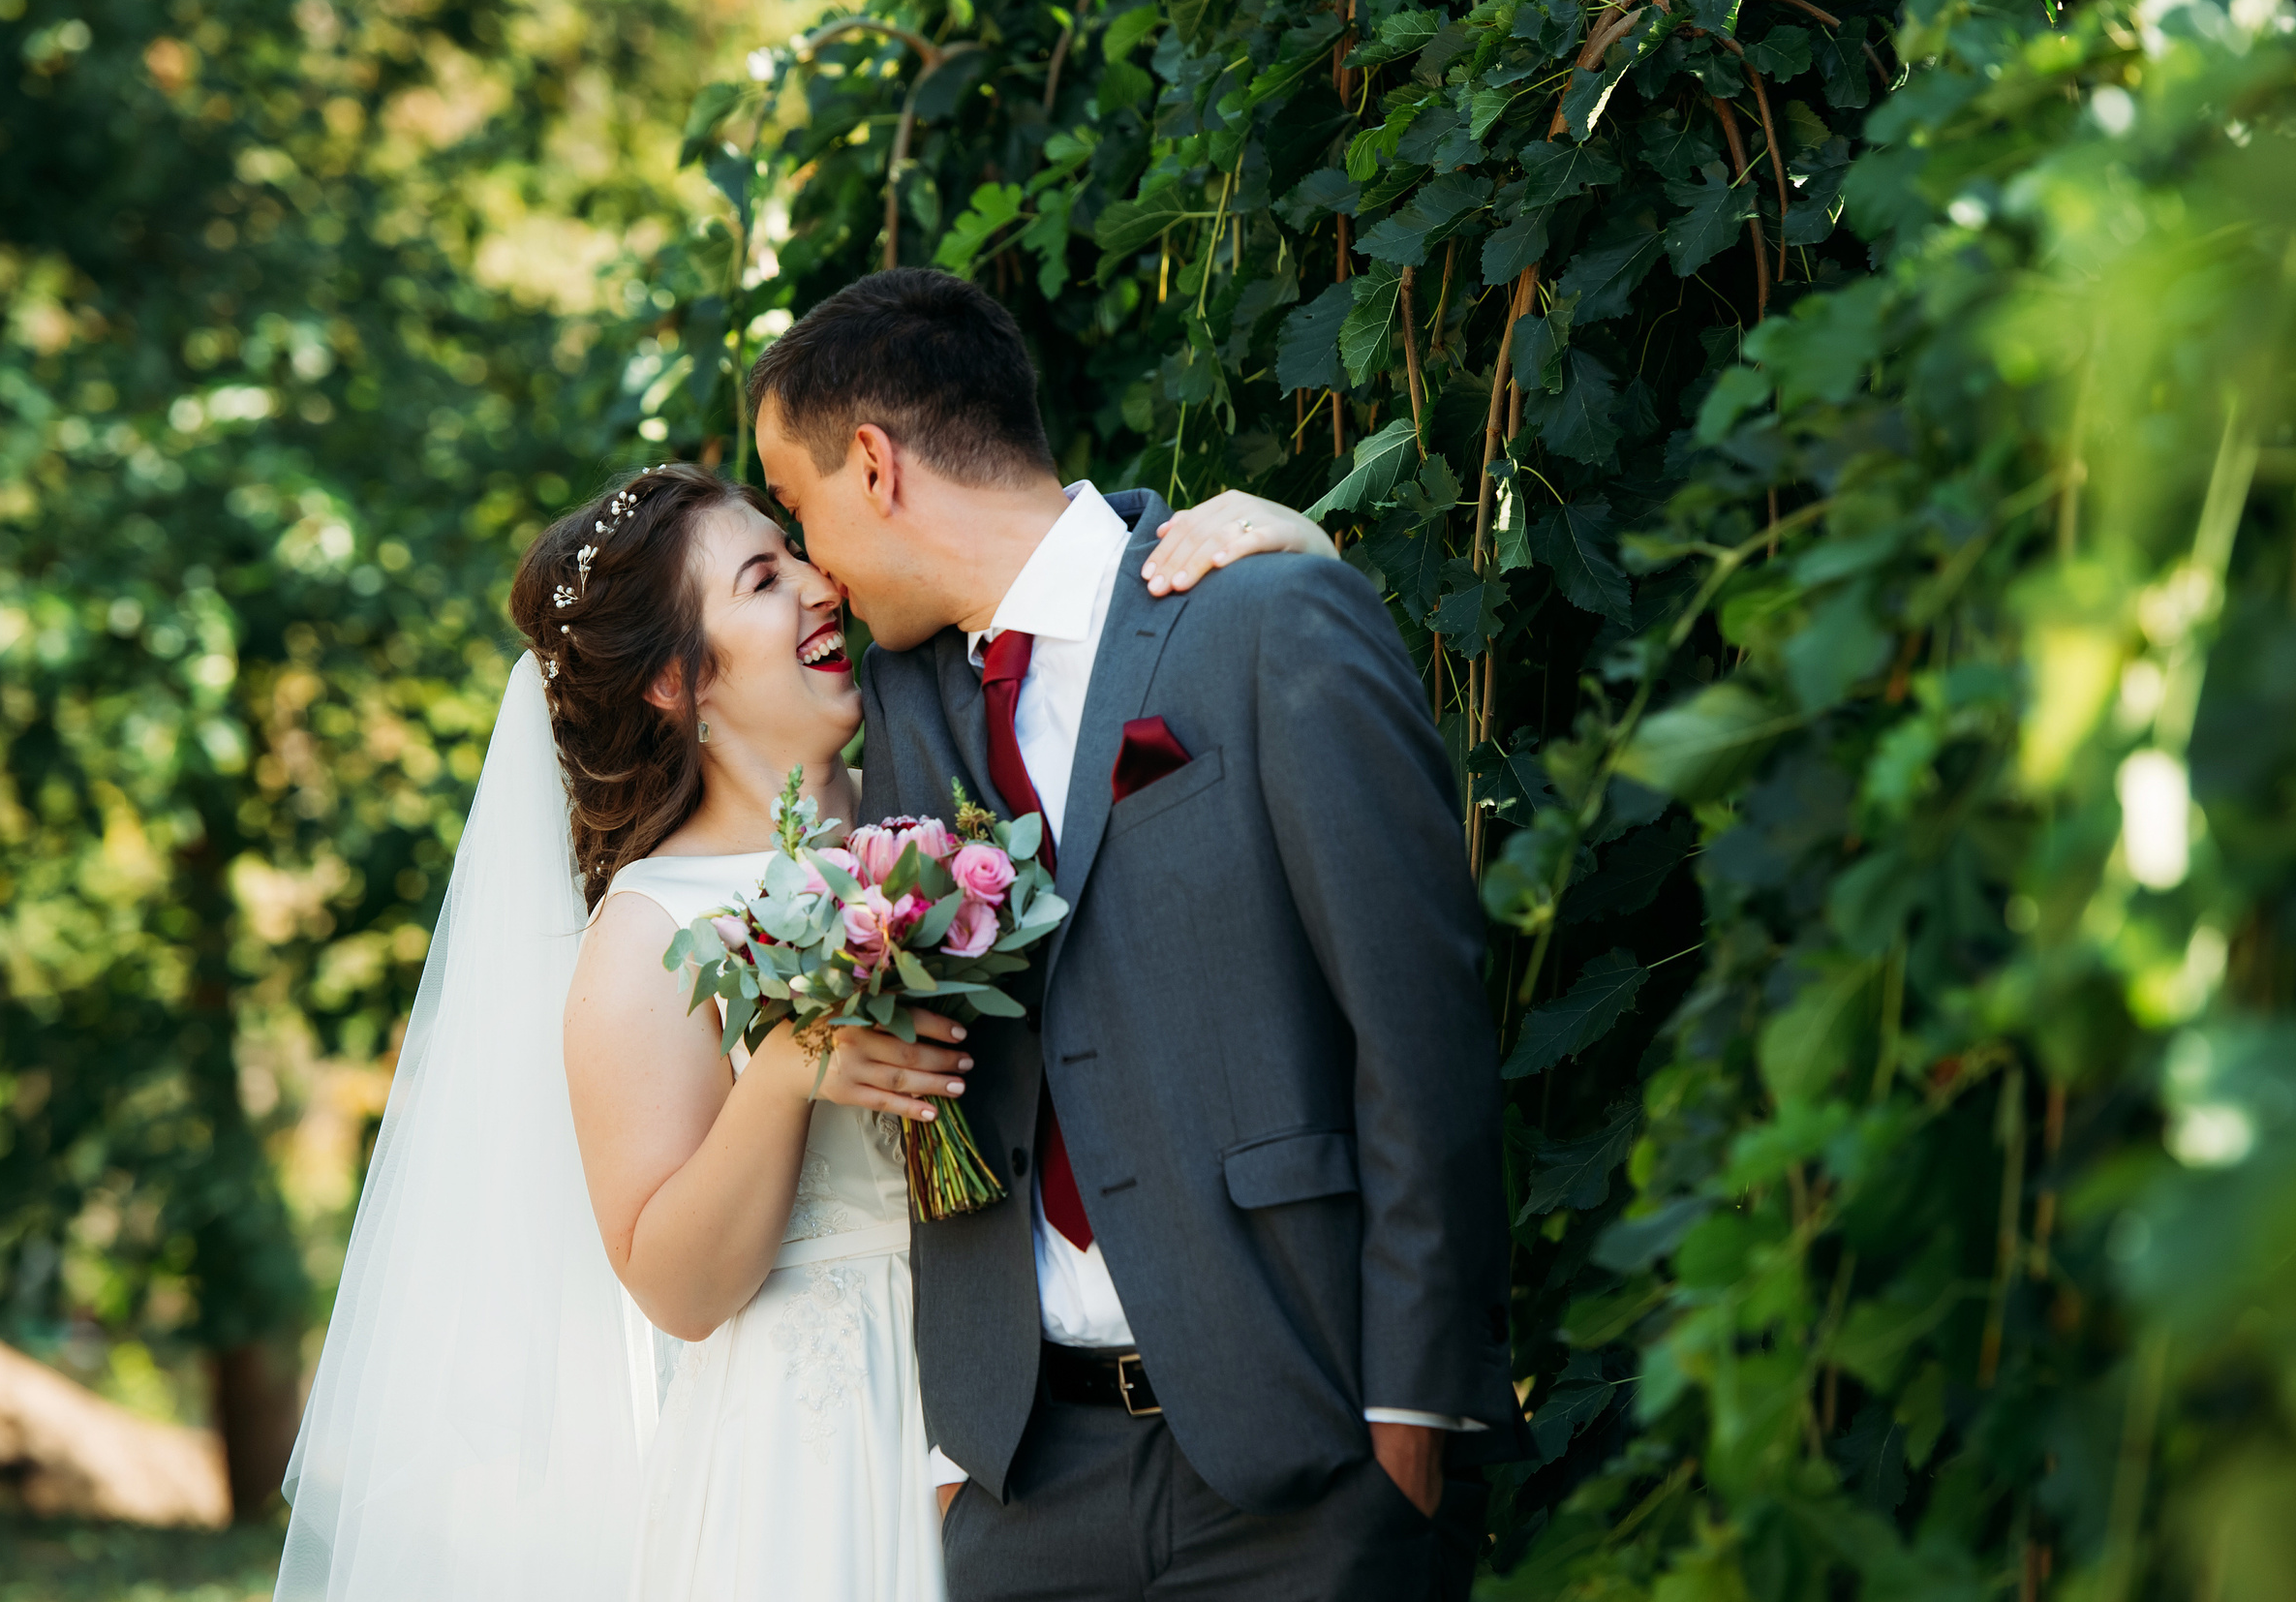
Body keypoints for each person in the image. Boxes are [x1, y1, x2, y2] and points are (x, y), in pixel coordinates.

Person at [272, 454, 1331, 1601]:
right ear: (680, 681)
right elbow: (675, 1287)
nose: (821, 585)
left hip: (1035, 1407)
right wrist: (786, 1072)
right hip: (818, 1453)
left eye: (800, 552)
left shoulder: (948, 812)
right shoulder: (648, 932)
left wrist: (1281, 549)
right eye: (764, 578)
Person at [750, 268, 1533, 1602]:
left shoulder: (1266, 616)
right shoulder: (896, 698)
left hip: (1311, 1455)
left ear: (872, 465)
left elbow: (1420, 1021)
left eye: (797, 503)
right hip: (1026, 1485)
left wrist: (1413, 1416)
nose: (810, 558)